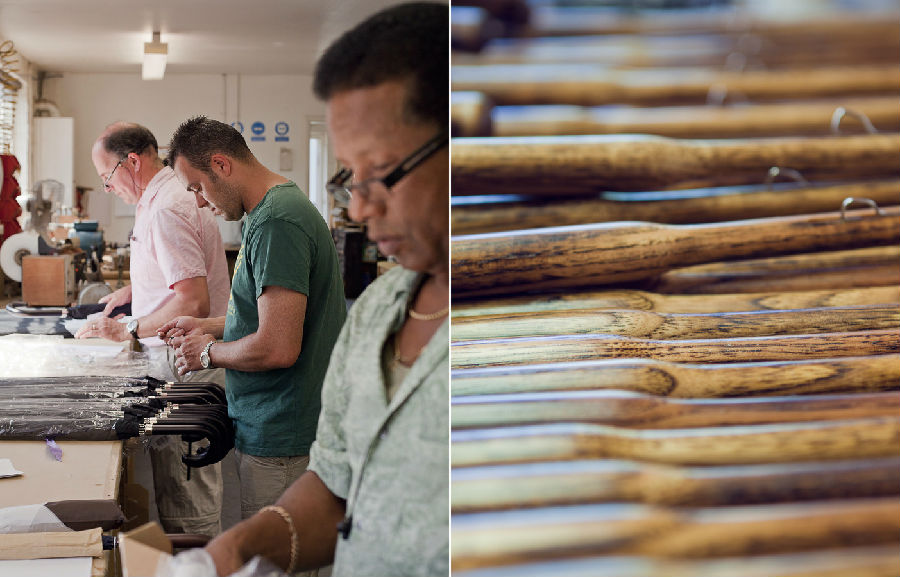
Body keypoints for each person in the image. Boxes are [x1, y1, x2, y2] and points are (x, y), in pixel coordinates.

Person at [173, 2, 450, 575]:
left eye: (381, 171)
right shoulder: (382, 309)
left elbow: (278, 343)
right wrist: (239, 548)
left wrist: (208, 350)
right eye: (350, 177)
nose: (360, 209)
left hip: (281, 424)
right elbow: (337, 484)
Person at [158, 115, 348, 533]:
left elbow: (278, 346)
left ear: (221, 165)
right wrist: (208, 326)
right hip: (269, 422)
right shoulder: (268, 213)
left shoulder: (277, 222)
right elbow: (270, 316)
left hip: (283, 434)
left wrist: (207, 353)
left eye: (197, 187)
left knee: (275, 557)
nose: (200, 202)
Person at [77, 121, 230, 537]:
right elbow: (178, 272)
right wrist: (136, 290)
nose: (108, 188)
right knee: (179, 485)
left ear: (132, 162)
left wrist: (127, 328)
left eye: (107, 177)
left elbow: (193, 303)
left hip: (186, 364)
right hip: (179, 359)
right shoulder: (160, 198)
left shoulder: (166, 208)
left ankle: (201, 561)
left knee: (187, 494)